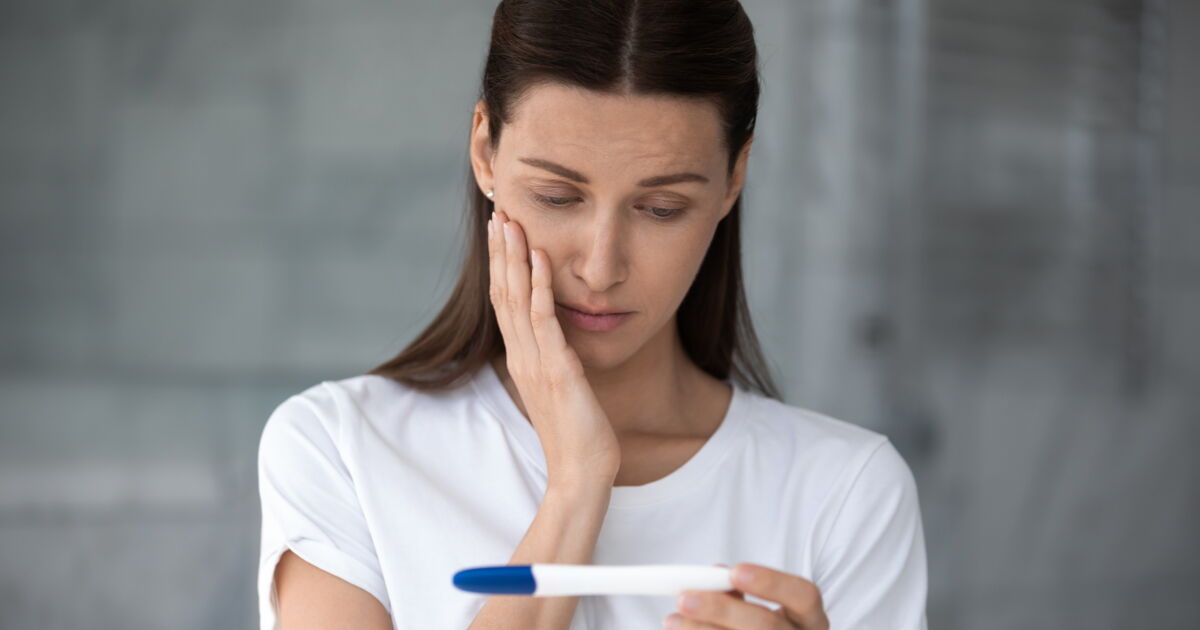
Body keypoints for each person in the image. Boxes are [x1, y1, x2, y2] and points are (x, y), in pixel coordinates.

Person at [257, 1, 929, 628]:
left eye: (661, 208)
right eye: (557, 196)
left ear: (732, 179)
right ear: (485, 150)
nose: (602, 268)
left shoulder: (845, 494)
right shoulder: (341, 451)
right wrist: (577, 485)